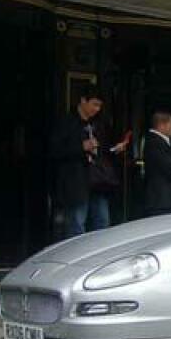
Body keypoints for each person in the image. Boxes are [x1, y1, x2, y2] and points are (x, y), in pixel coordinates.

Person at [49, 90, 118, 238]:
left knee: (103, 223)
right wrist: (81, 147)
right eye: (94, 104)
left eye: (99, 106)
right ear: (83, 100)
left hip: (98, 181)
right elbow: (55, 150)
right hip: (76, 182)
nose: (96, 109)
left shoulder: (98, 123)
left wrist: (114, 149)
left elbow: (102, 148)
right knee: (76, 225)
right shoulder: (66, 121)